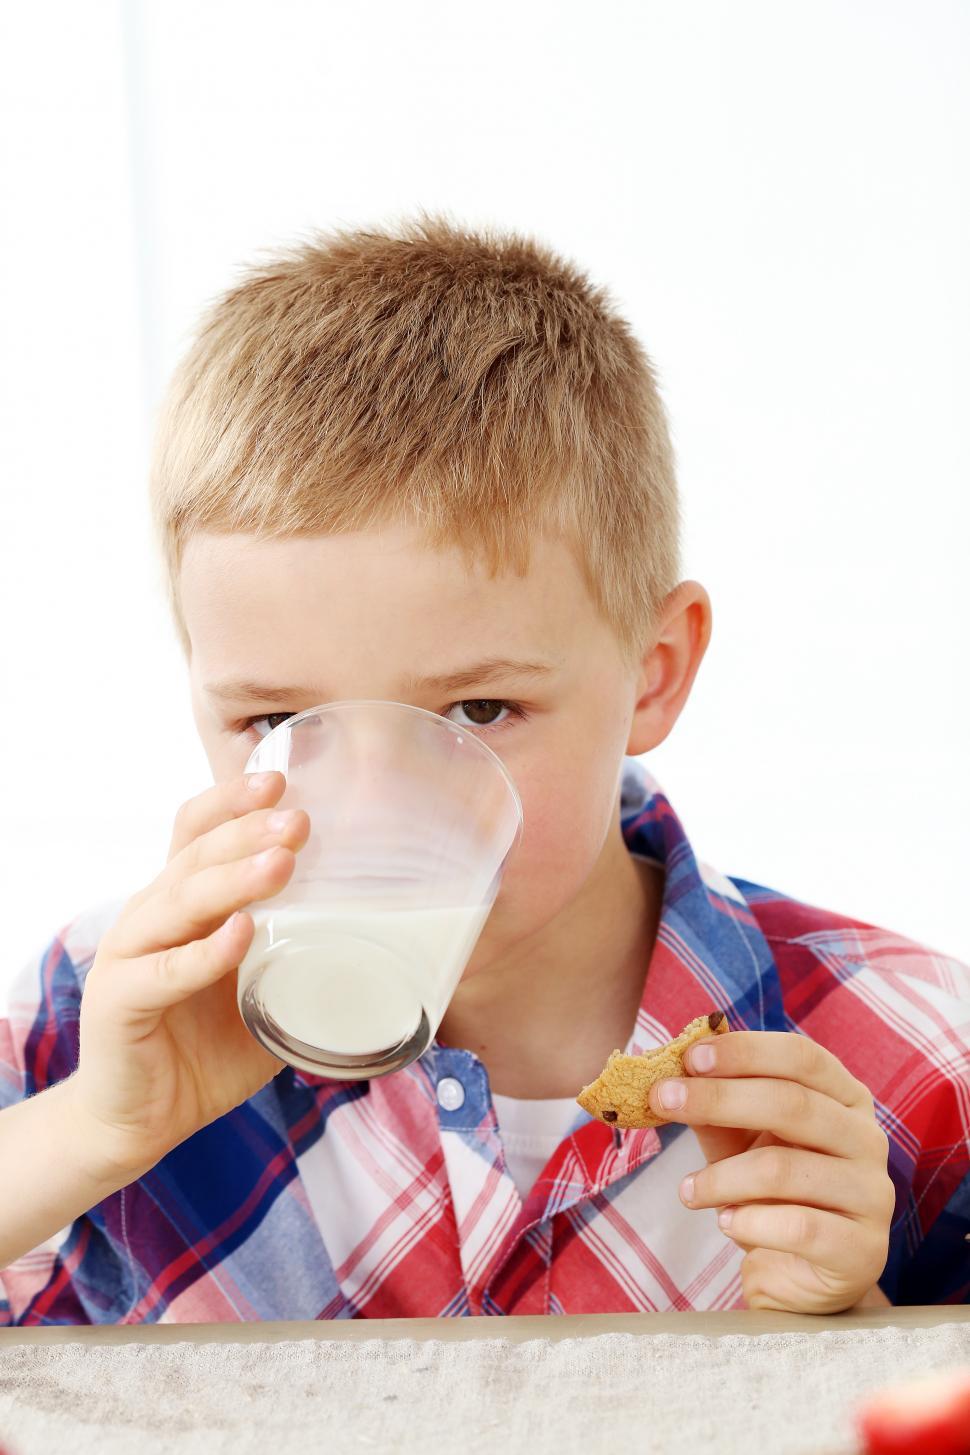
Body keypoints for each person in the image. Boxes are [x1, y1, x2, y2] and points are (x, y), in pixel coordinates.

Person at [1, 217, 966, 1325]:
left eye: (476, 710)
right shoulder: (100, 1017)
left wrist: (856, 1331)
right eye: (280, 720)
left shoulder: (912, 1058)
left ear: (651, 674)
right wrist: (99, 1127)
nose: (365, 810)